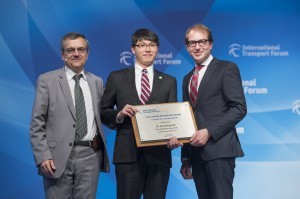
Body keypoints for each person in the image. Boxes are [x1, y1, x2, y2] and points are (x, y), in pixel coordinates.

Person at [100, 28, 182, 199]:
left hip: (159, 156)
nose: (147, 49)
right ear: (133, 49)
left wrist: (175, 136)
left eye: (152, 45)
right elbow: (103, 112)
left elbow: (173, 117)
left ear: (157, 49)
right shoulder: (117, 77)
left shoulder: (169, 81)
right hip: (127, 155)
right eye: (142, 45)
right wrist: (119, 114)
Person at [29, 32, 110, 199]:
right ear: (63, 54)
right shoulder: (47, 80)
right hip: (56, 157)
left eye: (81, 49)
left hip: (90, 155)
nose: (76, 54)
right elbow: (37, 123)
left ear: (87, 54)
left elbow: (104, 114)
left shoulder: (97, 82)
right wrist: (43, 156)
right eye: (71, 50)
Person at [180, 24, 247, 199]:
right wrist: (186, 158)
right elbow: (188, 118)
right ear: (187, 47)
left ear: (211, 44)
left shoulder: (227, 68)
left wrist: (209, 131)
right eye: (192, 43)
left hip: (219, 151)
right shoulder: (187, 78)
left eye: (202, 41)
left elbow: (239, 108)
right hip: (196, 156)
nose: (197, 47)